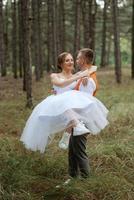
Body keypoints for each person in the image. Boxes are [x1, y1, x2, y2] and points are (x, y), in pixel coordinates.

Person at [20, 52, 108, 155]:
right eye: (67, 60)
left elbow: (93, 68)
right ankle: (62, 132)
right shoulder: (55, 75)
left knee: (68, 104)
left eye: (71, 59)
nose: (70, 62)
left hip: (69, 108)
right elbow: (61, 84)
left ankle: (67, 135)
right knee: (62, 104)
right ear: (61, 64)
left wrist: (85, 75)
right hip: (56, 105)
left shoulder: (77, 75)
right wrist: (79, 76)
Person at [68, 48, 107, 180]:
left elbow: (84, 104)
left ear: (84, 60)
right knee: (72, 149)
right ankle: (73, 177)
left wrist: (76, 121)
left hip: (82, 120)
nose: (76, 60)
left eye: (78, 58)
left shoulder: (88, 80)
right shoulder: (84, 75)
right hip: (77, 119)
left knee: (79, 151)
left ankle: (86, 180)